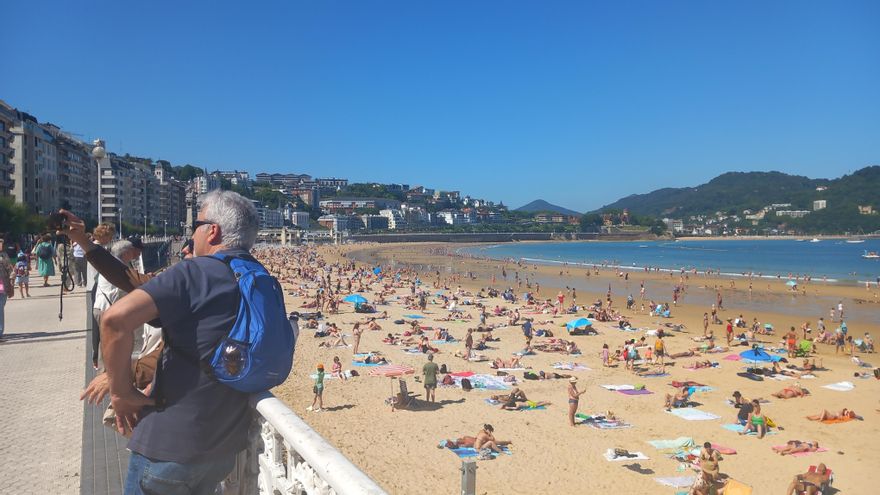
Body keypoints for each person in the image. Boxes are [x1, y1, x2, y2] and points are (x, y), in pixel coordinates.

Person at [66, 190, 267, 493]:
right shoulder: (261, 279)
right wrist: (85, 243)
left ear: (212, 231)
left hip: (171, 446)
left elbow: (114, 320)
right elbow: (133, 280)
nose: (190, 235)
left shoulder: (195, 272)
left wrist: (121, 392)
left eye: (195, 225)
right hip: (223, 447)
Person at [92, 240, 143, 370]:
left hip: (102, 307)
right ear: (125, 253)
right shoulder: (118, 268)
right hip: (107, 310)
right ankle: (107, 374)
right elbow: (128, 288)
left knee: (107, 342)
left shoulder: (113, 265)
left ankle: (108, 371)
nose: (134, 254)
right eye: (132, 251)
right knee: (110, 343)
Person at [0, 249, 12, 341]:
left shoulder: (4, 255)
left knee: (1, 307)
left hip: (2, 284)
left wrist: (12, 280)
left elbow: (9, 268)